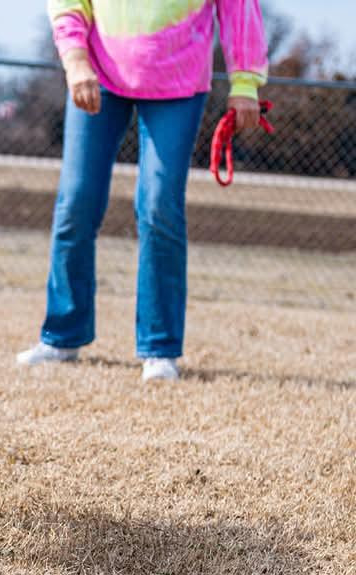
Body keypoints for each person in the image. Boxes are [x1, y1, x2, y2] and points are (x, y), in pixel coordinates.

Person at [18, 1, 269, 380]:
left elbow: (238, 7)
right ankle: (62, 335)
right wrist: (75, 60)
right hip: (98, 72)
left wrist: (245, 82)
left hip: (179, 80)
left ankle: (159, 347)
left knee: (158, 205)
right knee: (76, 202)